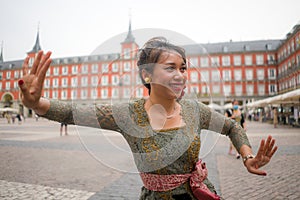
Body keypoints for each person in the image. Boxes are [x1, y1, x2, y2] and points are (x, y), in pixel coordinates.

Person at [18, 37, 277, 200]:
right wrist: (36, 103)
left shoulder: (194, 110)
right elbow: (73, 113)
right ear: (147, 76)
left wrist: (247, 156)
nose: (181, 75)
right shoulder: (127, 114)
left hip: (201, 194)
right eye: (170, 68)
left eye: (183, 68)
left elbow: (231, 125)